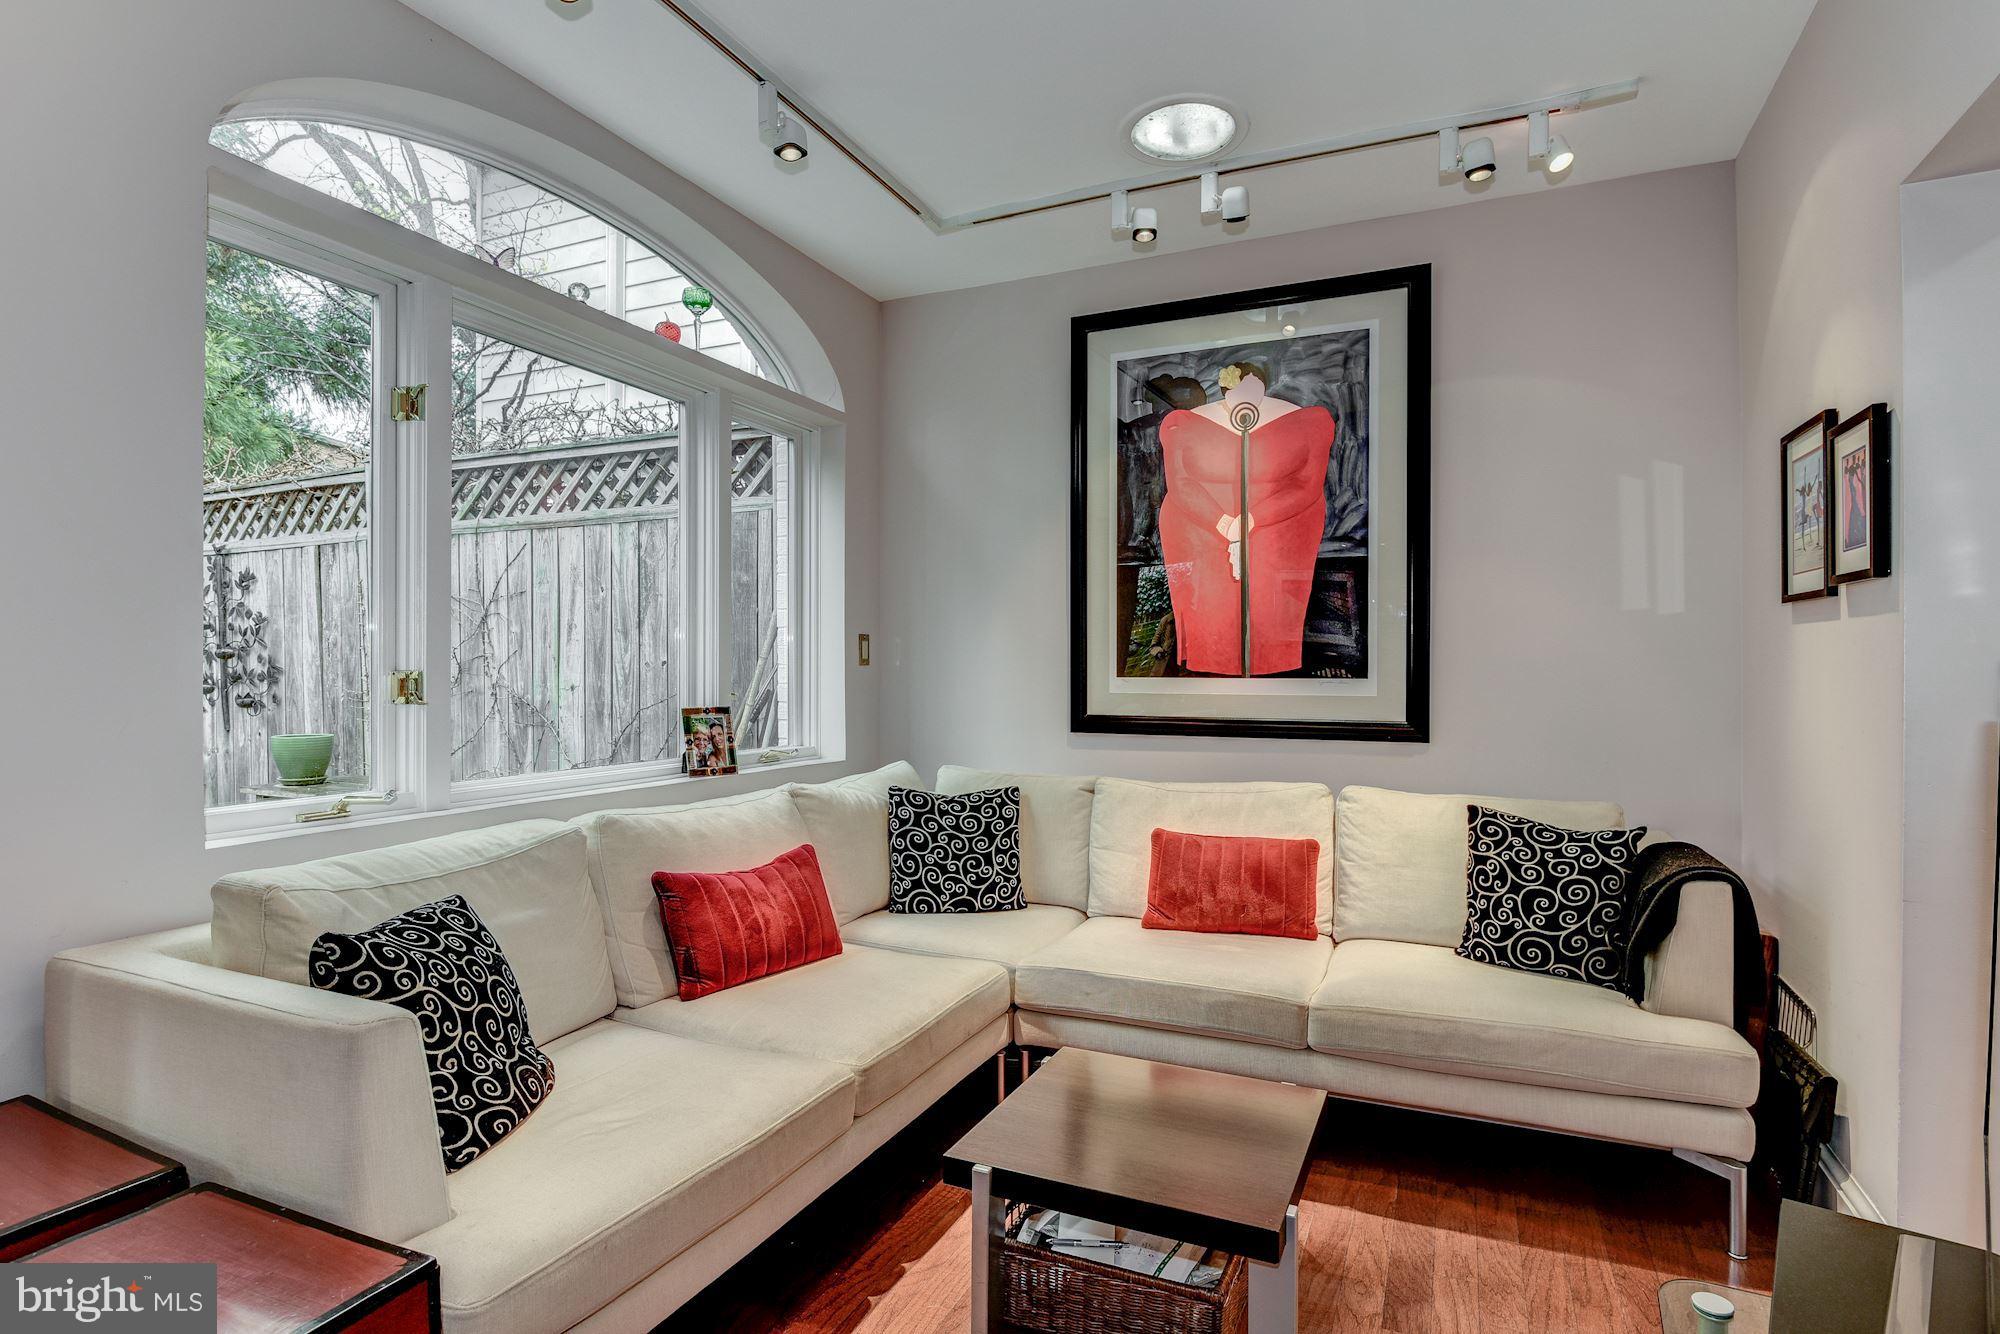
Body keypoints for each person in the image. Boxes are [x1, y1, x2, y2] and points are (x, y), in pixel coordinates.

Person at [1155, 361, 1335, 675]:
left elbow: (1307, 484)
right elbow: (1181, 484)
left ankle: (1272, 676)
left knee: (1269, 617)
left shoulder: (1308, 422)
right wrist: (1223, 523)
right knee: (1210, 620)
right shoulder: (1182, 424)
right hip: (1201, 533)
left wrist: (1252, 519)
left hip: (1277, 532)